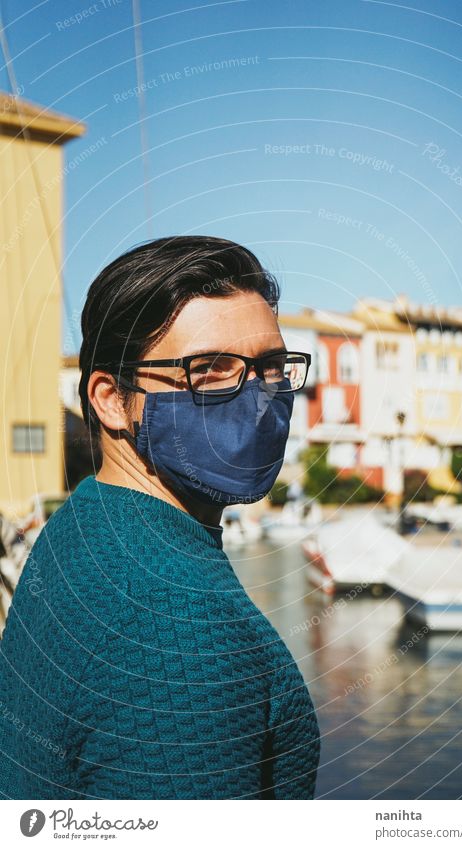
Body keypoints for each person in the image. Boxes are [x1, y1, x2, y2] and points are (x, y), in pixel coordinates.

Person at [0, 236, 320, 799]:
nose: (255, 394)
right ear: (110, 399)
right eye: (210, 369)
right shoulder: (178, 630)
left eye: (271, 367)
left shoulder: (88, 523)